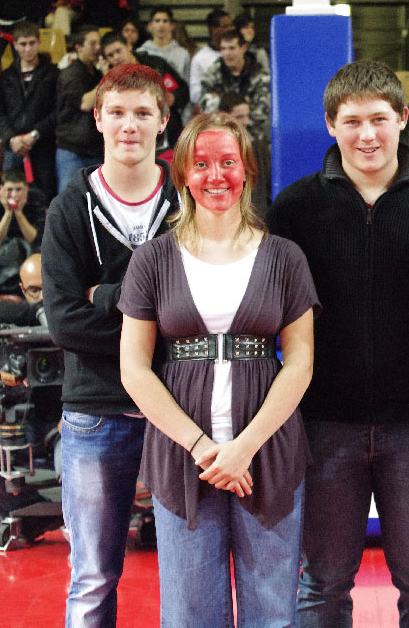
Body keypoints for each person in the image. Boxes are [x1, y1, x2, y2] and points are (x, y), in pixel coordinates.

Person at [266, 59, 409, 628]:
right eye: (352, 122)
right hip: (324, 425)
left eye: (379, 118)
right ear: (330, 125)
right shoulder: (294, 209)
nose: (367, 135)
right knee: (322, 583)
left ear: (403, 118)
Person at [118, 112, 317, 626]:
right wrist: (204, 447)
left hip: (268, 455)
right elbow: (135, 370)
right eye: (202, 164)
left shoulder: (284, 257)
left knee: (274, 612)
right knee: (189, 614)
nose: (216, 176)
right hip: (185, 459)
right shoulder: (152, 260)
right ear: (183, 173)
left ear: (247, 169)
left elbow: (299, 361)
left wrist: (244, 447)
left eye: (228, 162)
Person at [42, 63, 180, 626]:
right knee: (94, 575)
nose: (130, 125)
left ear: (163, 124)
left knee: (187, 567)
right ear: (97, 119)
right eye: (117, 112)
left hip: (180, 411)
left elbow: (206, 306)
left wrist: (107, 297)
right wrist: (155, 319)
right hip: (95, 414)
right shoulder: (68, 208)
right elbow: (66, 323)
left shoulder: (186, 202)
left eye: (143, 113)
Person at [0, 253, 64, 534]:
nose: (42, 296)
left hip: (71, 426)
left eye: (47, 287)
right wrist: (36, 311)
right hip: (29, 424)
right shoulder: (22, 316)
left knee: (73, 468)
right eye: (34, 290)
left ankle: (84, 526)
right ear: (22, 290)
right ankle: (34, 515)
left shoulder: (74, 314)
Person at [0, 21, 59, 203]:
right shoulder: (6, 76)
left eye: (31, 43)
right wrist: (11, 138)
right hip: (13, 147)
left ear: (38, 43)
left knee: (45, 198)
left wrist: (35, 134)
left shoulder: (53, 74)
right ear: (14, 45)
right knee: (10, 199)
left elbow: (57, 111)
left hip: (43, 145)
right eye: (23, 44)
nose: (28, 49)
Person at [101, 29, 189, 151]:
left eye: (118, 51)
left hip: (169, 136)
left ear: (129, 46)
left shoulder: (156, 64)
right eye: (110, 55)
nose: (116, 57)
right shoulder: (111, 80)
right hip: (134, 140)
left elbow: (183, 90)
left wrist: (173, 98)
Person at [55, 25, 105, 194]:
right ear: (78, 47)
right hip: (72, 151)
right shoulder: (71, 74)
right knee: (70, 200)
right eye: (92, 44)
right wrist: (106, 79)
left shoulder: (95, 73)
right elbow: (85, 103)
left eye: (99, 43)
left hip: (94, 148)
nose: (98, 48)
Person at [199, 29, 271, 144]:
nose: (227, 53)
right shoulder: (214, 72)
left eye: (232, 48)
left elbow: (261, 113)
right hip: (220, 137)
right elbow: (205, 104)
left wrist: (224, 108)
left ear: (243, 48)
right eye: (223, 49)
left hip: (252, 138)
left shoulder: (260, 76)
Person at [0, 169, 46, 294]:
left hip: (29, 244)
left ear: (26, 189)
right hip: (4, 243)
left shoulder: (36, 198)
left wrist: (18, 212)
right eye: (9, 189)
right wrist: (8, 212)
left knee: (43, 254)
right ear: (2, 189)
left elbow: (34, 238)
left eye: (18, 189)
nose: (14, 194)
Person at [218, 92, 272, 218]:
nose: (245, 122)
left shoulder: (258, 147)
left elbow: (269, 187)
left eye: (247, 116)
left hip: (256, 219)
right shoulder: (211, 150)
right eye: (239, 117)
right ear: (223, 116)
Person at [189, 7, 232, 106]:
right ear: (213, 29)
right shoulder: (199, 58)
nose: (231, 29)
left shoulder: (238, 53)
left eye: (232, 25)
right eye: (225, 26)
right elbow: (194, 94)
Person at [137, 6, 191, 83]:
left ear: (172, 26)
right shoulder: (140, 53)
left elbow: (186, 84)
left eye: (165, 21)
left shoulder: (183, 54)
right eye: (157, 21)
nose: (161, 25)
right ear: (150, 25)